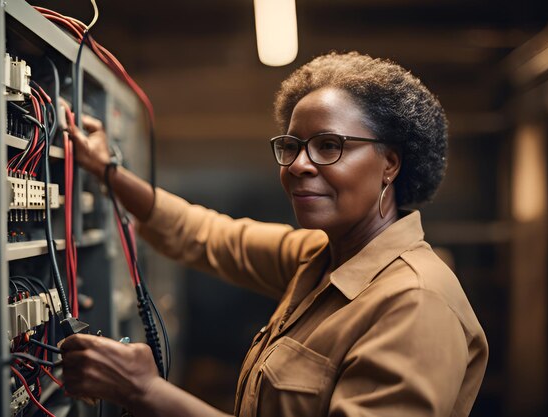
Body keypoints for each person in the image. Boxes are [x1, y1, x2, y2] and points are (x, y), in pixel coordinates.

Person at [61, 51, 488, 417]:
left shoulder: (414, 304)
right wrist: (107, 171)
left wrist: (145, 392)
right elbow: (209, 235)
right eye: (291, 146)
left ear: (390, 163)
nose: (299, 164)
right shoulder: (323, 256)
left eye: (328, 145)